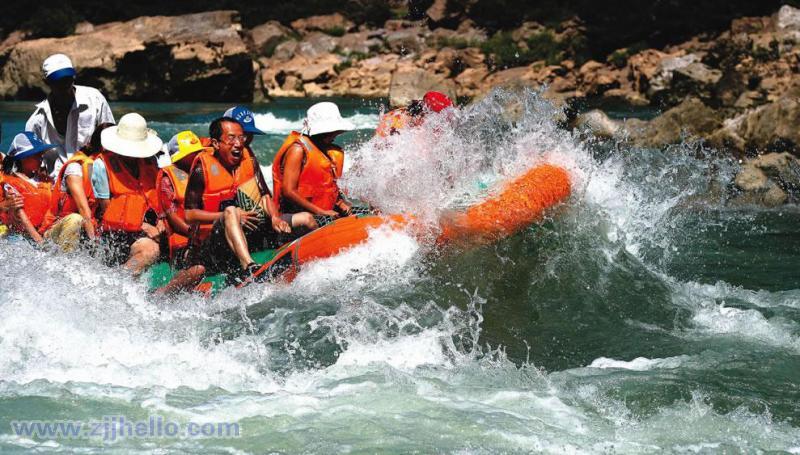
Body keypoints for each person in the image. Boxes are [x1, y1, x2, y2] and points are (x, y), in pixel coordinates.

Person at [184, 117, 314, 281]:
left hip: (253, 231)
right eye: (231, 138)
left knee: (306, 218)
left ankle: (314, 257)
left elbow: (265, 195)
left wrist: (274, 217)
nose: (238, 143)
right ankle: (249, 267)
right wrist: (227, 216)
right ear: (216, 144)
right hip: (218, 240)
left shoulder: (249, 162)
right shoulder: (200, 170)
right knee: (231, 211)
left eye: (241, 137)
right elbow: (189, 215)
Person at [92, 113, 164, 275]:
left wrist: (162, 221)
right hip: (117, 234)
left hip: (151, 227)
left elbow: (159, 197)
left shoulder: (150, 162)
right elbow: (107, 209)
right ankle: (116, 285)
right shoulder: (101, 165)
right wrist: (145, 228)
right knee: (150, 249)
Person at [25, 54, 115, 178]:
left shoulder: (94, 99)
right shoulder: (36, 121)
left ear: (73, 77)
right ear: (47, 82)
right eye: (59, 81)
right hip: (56, 181)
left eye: (68, 79)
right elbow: (29, 159)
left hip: (94, 174)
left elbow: (110, 136)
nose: (65, 84)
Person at [272, 102, 354, 220]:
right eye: (331, 132)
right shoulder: (298, 150)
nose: (335, 135)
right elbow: (288, 191)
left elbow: (329, 187)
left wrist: (341, 203)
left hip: (324, 211)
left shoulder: (325, 151)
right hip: (300, 216)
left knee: (368, 214)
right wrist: (321, 212)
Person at [40, 122, 114, 250]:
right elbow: (83, 210)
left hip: (88, 229)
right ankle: (65, 265)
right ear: (104, 148)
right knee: (75, 219)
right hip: (58, 229)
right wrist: (95, 246)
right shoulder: (75, 168)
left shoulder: (109, 169)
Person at [0, 132, 57, 244]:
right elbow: (21, 215)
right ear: (23, 157)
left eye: (41, 154)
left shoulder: (46, 180)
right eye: (36, 155)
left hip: (46, 232)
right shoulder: (10, 182)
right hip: (23, 237)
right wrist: (40, 242)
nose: (41, 158)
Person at [375, 91, 453, 137]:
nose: (441, 124)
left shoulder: (412, 116)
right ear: (424, 113)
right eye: (439, 119)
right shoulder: (396, 125)